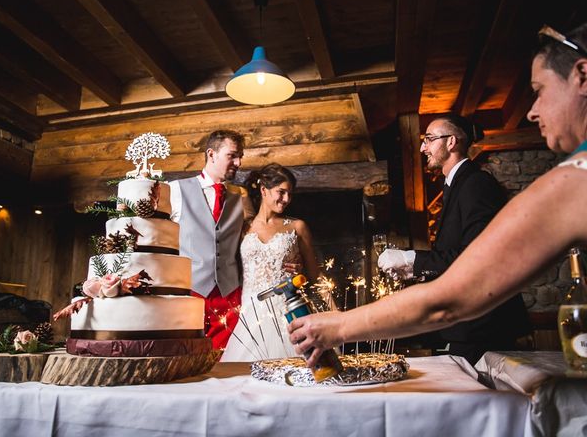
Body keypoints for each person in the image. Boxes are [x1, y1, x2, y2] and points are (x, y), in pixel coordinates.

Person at [288, 22, 587, 368]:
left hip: (486, 336)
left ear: (582, 74)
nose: (532, 110)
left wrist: (338, 325)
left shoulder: (567, 183)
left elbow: (451, 297)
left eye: (539, 90)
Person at [377, 115, 531, 364]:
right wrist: (413, 271)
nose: (422, 147)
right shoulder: (456, 185)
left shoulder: (476, 183)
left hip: (485, 326)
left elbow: (476, 258)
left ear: (451, 142)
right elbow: (456, 254)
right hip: (470, 325)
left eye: (429, 139)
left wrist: (410, 258)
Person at [220, 163, 320, 361]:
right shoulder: (242, 228)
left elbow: (315, 276)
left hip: (287, 311)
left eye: (290, 194)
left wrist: (299, 273)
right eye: (281, 192)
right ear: (264, 190)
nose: (286, 199)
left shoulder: (297, 227)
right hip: (251, 312)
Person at [169, 130, 251, 349]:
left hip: (229, 294)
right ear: (211, 154)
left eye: (240, 156)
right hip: (189, 292)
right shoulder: (176, 190)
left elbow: (255, 235)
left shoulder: (240, 196)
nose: (239, 162)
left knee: (224, 361)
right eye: (232, 155)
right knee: (187, 357)